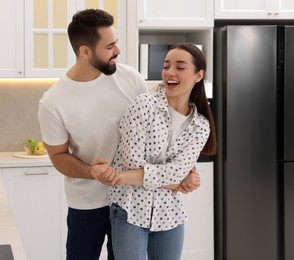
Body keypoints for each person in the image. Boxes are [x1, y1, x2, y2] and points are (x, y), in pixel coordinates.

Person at [38, 9, 201, 260]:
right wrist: (91, 171)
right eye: (110, 46)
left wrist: (183, 169)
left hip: (131, 201)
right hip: (87, 203)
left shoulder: (130, 78)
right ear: (85, 51)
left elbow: (159, 127)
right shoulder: (53, 101)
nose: (118, 51)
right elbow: (58, 156)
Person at [92, 42, 217, 260]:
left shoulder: (200, 125)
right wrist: (177, 183)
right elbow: (133, 162)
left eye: (180, 67)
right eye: (166, 65)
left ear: (198, 75)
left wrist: (122, 177)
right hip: (130, 209)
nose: (170, 72)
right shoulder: (143, 105)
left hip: (170, 214)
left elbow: (177, 170)